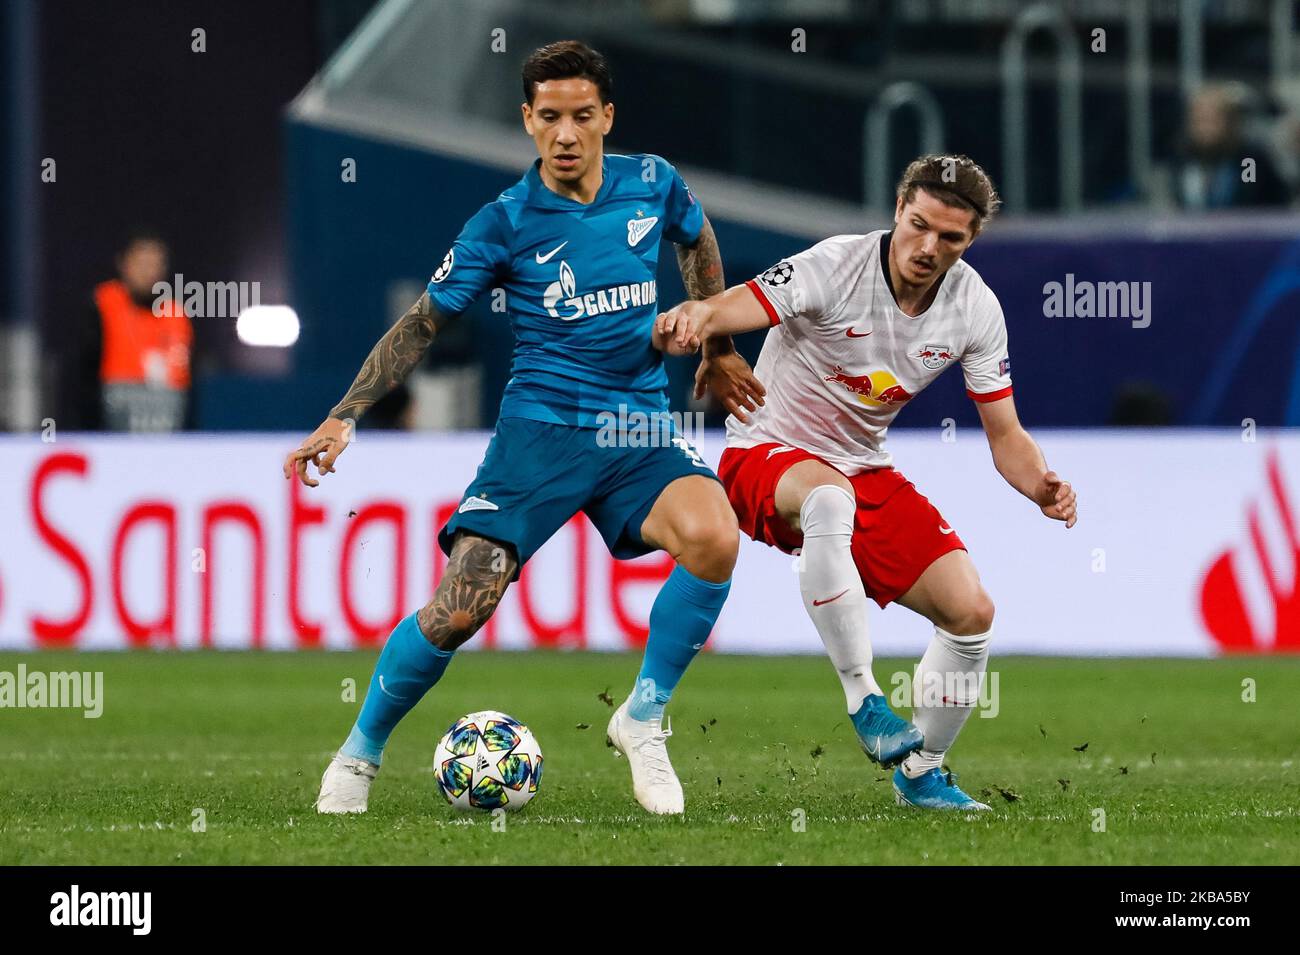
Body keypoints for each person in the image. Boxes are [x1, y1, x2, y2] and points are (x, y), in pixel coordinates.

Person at [284, 41, 764, 816]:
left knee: (715, 535)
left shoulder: (653, 183)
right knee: (459, 607)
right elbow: (424, 321)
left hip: (636, 427)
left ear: (607, 116)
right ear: (527, 121)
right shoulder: (504, 222)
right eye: (549, 118)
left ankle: (642, 717)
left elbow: (698, 236)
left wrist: (717, 341)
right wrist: (345, 414)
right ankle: (359, 752)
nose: (566, 134)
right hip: (539, 434)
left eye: (581, 116)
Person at [655, 155, 1078, 811]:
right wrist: (701, 321)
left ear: (971, 242)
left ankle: (923, 773)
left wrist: (1042, 484)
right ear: (898, 209)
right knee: (828, 497)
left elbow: (1006, 436)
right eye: (919, 226)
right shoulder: (835, 265)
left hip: (861, 467)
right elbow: (731, 305)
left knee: (971, 614)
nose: (929, 248)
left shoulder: (974, 308)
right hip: (765, 453)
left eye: (951, 239)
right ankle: (864, 698)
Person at [85, 231, 192, 432]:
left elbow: (186, 382)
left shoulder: (175, 315)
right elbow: (84, 373)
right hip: (112, 424)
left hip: (165, 425)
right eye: (141, 264)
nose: (148, 272)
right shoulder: (104, 305)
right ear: (124, 264)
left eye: (155, 265)